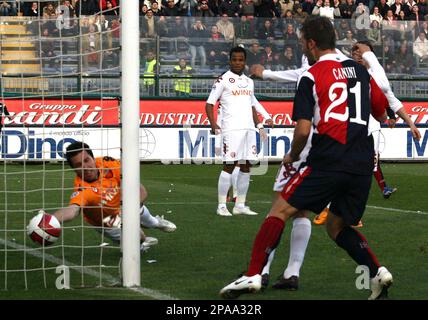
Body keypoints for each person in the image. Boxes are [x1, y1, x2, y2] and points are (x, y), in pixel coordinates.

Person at [219, 16, 393, 300]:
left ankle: (253, 274)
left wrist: (292, 155)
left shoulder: (310, 76)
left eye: (302, 41)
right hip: (362, 161)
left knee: (279, 211)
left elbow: (303, 129)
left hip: (328, 158)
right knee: (337, 226)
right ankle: (377, 272)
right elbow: (379, 109)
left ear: (311, 43)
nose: (302, 46)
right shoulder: (360, 72)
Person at [34, 141, 177, 252]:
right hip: (107, 221)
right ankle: (139, 243)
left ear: (92, 157)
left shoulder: (108, 163)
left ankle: (155, 222)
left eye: (86, 160)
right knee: (138, 239)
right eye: (78, 165)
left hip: (123, 206)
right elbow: (72, 210)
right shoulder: (83, 189)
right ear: (73, 169)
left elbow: (141, 191)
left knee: (146, 217)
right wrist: (52, 219)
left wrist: (128, 211)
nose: (85, 166)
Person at [205, 46, 265, 217]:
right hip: (231, 129)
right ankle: (222, 205)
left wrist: (258, 124)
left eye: (241, 60)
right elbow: (209, 104)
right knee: (229, 165)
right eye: (234, 59)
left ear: (245, 61)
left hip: (248, 129)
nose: (238, 63)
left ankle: (240, 205)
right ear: (230, 61)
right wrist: (213, 123)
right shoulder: (222, 80)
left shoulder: (249, 81)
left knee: (246, 166)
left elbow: (251, 105)